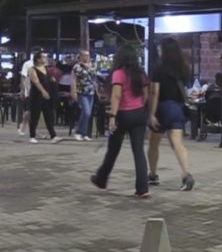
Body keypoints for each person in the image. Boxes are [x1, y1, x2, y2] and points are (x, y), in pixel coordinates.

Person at [91, 45, 150, 197]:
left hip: (123, 114)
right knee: (139, 152)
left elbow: (116, 96)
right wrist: (142, 109)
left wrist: (113, 116)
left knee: (113, 150)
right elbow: (146, 95)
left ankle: (101, 180)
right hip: (139, 114)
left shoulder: (118, 74)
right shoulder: (141, 74)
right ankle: (142, 188)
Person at [148, 37, 195, 191]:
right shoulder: (184, 68)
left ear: (165, 50)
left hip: (162, 108)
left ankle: (153, 175)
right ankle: (186, 173)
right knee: (177, 143)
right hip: (178, 108)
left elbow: (155, 92)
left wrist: (152, 113)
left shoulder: (158, 68)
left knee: (154, 143)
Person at [28, 51, 62, 144]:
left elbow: (49, 79)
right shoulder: (32, 69)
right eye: (43, 57)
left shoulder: (46, 69)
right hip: (36, 95)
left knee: (49, 115)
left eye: (45, 57)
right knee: (35, 115)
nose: (45, 59)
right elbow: (36, 82)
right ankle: (32, 135)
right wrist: (43, 91)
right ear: (38, 59)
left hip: (47, 95)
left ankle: (53, 135)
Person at [71, 50, 96, 142]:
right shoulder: (77, 67)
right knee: (86, 112)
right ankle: (78, 131)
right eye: (85, 55)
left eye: (88, 55)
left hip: (91, 92)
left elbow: (94, 79)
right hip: (81, 91)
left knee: (87, 114)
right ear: (81, 56)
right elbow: (74, 79)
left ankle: (84, 133)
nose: (86, 57)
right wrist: (73, 92)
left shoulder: (92, 66)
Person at [18, 48, 40, 136]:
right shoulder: (27, 64)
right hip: (29, 89)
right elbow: (23, 78)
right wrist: (23, 90)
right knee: (29, 110)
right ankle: (22, 126)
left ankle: (34, 129)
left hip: (39, 89)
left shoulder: (42, 64)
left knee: (36, 111)